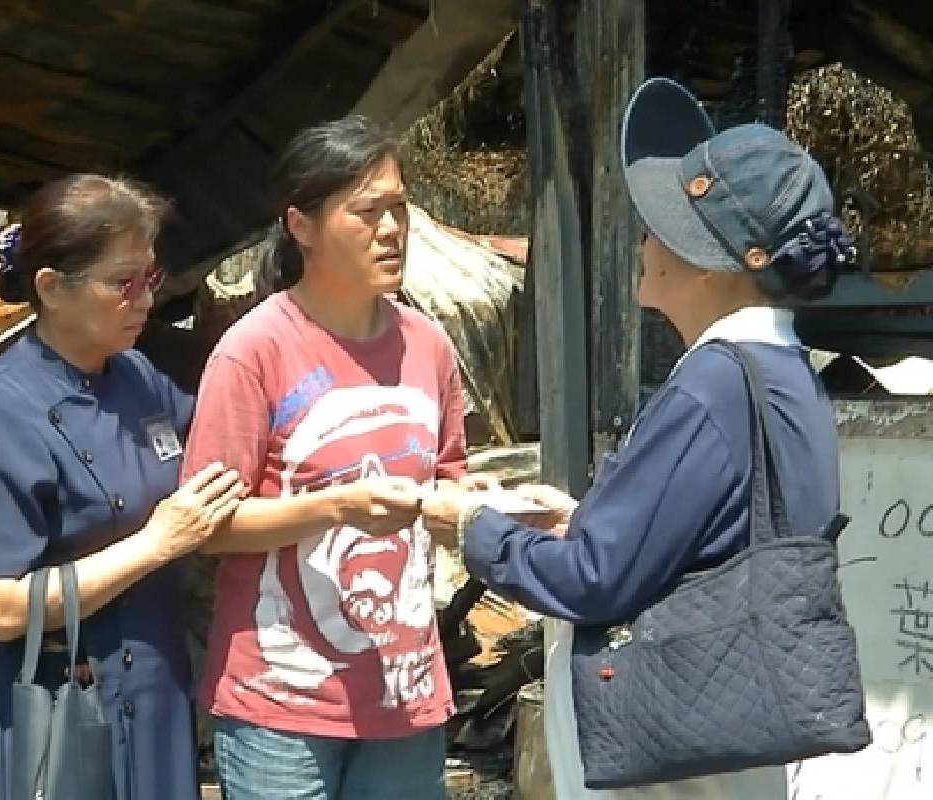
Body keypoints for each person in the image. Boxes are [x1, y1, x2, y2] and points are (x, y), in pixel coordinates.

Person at [422, 77, 858, 799]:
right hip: (731, 747)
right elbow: (710, 542)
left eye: (664, 226)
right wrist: (578, 522)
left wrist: (474, 527)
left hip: (671, 770)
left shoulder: (713, 383)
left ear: (718, 267)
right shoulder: (785, 373)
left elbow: (594, 581)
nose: (646, 239)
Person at [181, 116, 468, 800]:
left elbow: (452, 488)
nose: (393, 229)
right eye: (367, 212)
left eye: (399, 208)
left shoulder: (428, 347)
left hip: (406, 693)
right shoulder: (254, 351)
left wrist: (504, 514)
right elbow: (206, 526)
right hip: (281, 703)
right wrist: (332, 508)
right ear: (301, 226)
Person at [0, 174, 245, 800]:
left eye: (150, 278)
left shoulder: (135, 376)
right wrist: (156, 545)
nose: (144, 300)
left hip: (154, 691)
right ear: (51, 288)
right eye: (122, 282)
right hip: (60, 712)